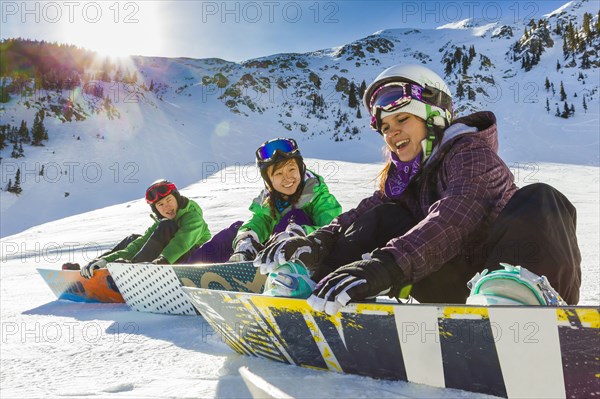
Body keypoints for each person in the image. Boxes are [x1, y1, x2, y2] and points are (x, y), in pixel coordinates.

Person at [256, 64, 581, 313]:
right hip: (453, 290)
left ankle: (517, 298)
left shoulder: (470, 152)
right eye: (385, 126)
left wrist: (386, 265)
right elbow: (356, 217)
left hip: (504, 281)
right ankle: (317, 286)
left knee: (543, 199)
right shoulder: (404, 179)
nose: (391, 132)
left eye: (402, 120)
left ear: (434, 116)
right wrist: (314, 242)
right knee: (383, 215)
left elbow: (455, 216)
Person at [187, 137, 342, 264]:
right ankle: (186, 274)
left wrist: (300, 233)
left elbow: (331, 229)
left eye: (291, 169)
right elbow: (259, 221)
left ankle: (271, 274)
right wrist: (247, 240)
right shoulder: (268, 201)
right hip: (267, 252)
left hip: (304, 257)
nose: (287, 177)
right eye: (278, 173)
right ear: (269, 181)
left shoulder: (318, 195)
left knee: (295, 216)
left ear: (301, 169)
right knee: (237, 230)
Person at [78, 179, 211, 278]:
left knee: (166, 226)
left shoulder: (192, 217)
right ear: (156, 210)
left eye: (169, 200)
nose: (166, 207)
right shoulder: (163, 222)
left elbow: (182, 243)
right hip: (162, 262)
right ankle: (97, 265)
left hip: (192, 261)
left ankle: (132, 268)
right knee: (133, 239)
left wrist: (160, 262)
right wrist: (107, 260)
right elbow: (139, 244)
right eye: (160, 204)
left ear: (177, 198)